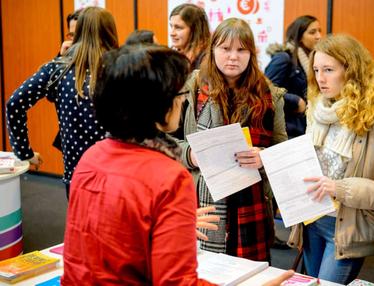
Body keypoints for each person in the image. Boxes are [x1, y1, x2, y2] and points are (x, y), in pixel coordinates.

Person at [61, 43, 293, 286]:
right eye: (180, 94)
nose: (183, 102)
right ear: (159, 104)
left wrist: (165, 224)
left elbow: (105, 239)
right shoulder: (168, 177)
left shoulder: (92, 157)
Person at [287, 34, 374, 284]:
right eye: (316, 69)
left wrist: (340, 188)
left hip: (348, 228)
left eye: (328, 69)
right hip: (311, 220)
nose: (320, 78)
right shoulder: (318, 109)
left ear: (352, 70)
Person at [174, 18, 287, 262]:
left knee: (249, 274)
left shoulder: (269, 93)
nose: (233, 57)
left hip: (252, 201)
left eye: (241, 49)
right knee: (204, 271)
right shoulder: (191, 86)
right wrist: (190, 155)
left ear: (251, 53)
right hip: (202, 200)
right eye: (225, 49)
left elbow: (282, 149)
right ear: (213, 49)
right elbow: (164, 142)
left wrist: (264, 157)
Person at [6, 7, 119, 198]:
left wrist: (24, 151)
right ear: (109, 32)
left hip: (76, 175)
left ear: (79, 31)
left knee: (80, 227)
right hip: (117, 175)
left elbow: (14, 104)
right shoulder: (122, 69)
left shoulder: (57, 69)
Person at [265, 15, 322, 138]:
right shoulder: (284, 58)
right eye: (312, 32)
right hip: (286, 131)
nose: (319, 36)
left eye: (319, 31)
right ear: (299, 36)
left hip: (303, 129)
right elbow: (265, 90)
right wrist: (295, 101)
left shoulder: (309, 60)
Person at [52, 9, 82, 152]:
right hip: (71, 140)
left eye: (80, 35)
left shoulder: (109, 59)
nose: (75, 40)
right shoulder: (64, 59)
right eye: (72, 35)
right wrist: (60, 58)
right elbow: (51, 95)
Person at [169, 3, 210, 70]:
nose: (172, 33)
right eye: (171, 26)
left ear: (195, 30)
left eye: (178, 28)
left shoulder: (207, 59)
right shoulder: (172, 55)